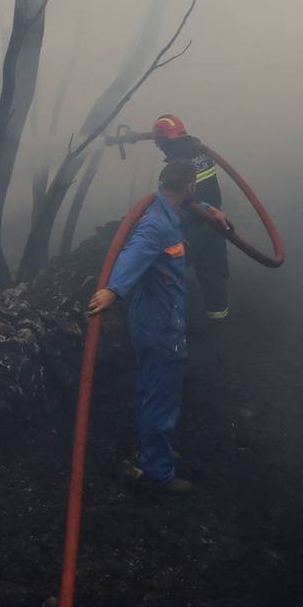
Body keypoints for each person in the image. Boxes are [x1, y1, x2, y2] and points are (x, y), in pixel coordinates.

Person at [87, 158, 230, 494]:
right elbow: (135, 252)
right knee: (163, 396)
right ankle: (158, 473)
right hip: (162, 326)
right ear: (190, 186)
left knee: (150, 389)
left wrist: (211, 210)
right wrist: (113, 290)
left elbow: (186, 211)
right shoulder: (156, 224)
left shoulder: (166, 208)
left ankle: (152, 448)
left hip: (150, 318)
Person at [148, 114, 232, 323]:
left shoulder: (178, 165)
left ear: (165, 141)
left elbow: (173, 200)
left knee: (168, 272)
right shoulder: (200, 151)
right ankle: (218, 324)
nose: (160, 148)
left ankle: (169, 322)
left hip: (193, 226)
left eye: (160, 143)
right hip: (214, 221)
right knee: (213, 274)